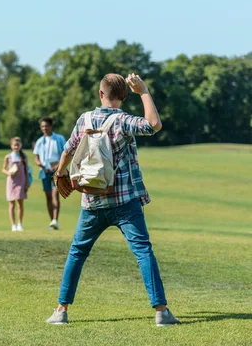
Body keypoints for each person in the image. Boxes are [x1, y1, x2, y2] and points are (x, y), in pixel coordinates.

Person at [46, 73, 180, 326]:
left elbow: (68, 150)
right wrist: (144, 92)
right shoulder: (123, 120)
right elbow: (154, 124)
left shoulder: (85, 118)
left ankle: (61, 311)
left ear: (100, 94)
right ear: (124, 97)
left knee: (77, 252)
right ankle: (161, 311)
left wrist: (60, 174)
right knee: (143, 252)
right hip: (125, 203)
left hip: (92, 203)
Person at [33, 117, 66, 230]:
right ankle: (52, 222)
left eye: (46, 126)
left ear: (51, 126)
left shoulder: (59, 139)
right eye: (42, 126)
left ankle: (55, 220)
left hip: (57, 172)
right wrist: (41, 165)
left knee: (55, 194)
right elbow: (36, 158)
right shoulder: (40, 141)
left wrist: (58, 166)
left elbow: (65, 154)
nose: (44, 128)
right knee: (48, 197)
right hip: (44, 172)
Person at [1, 137, 29, 231]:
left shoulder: (24, 157)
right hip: (11, 182)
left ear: (20, 145)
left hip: (21, 181)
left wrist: (27, 183)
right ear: (11, 146)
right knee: (11, 204)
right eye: (14, 145)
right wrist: (8, 173)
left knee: (20, 203)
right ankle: (13, 225)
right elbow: (3, 169)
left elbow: (26, 171)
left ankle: (20, 224)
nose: (16, 147)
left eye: (18, 145)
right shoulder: (8, 157)